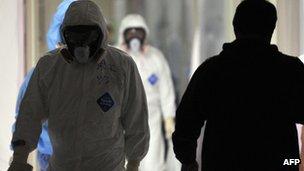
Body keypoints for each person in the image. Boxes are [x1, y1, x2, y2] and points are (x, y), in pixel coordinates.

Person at [8, 1, 149, 171]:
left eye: (89, 36)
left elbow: (136, 117)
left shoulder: (121, 66)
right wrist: (19, 157)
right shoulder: (50, 67)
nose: (82, 43)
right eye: (75, 36)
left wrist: (134, 163)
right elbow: (29, 114)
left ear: (101, 34)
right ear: (64, 34)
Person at [173, 0, 304, 171]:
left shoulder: (212, 70)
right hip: (279, 162)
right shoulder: (290, 70)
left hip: (222, 162)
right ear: (271, 29)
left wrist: (188, 160)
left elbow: (186, 121)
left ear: (235, 28)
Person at [11, 1, 76, 170]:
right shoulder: (41, 73)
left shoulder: (103, 73)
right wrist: (19, 156)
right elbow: (26, 116)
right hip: (51, 154)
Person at [118, 14, 180, 171]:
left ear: (145, 33)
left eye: (138, 32)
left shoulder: (156, 57)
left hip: (151, 119)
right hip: (122, 121)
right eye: (130, 32)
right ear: (123, 35)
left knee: (154, 163)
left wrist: (168, 117)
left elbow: (166, 88)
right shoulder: (115, 58)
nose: (134, 37)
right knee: (126, 162)